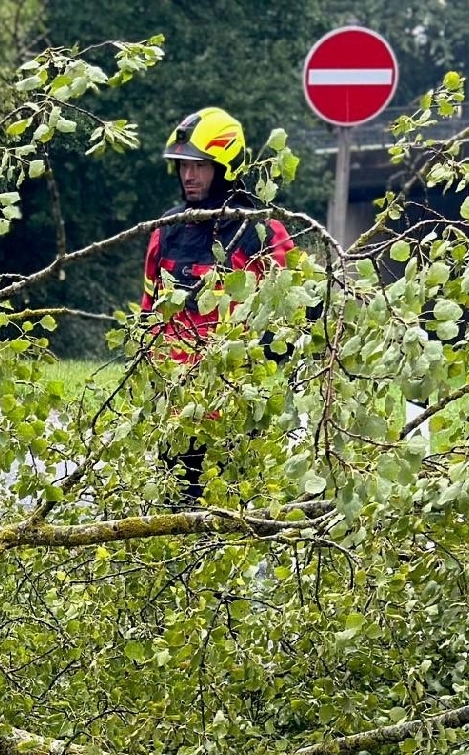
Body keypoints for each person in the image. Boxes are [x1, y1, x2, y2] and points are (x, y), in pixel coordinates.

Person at [140, 106, 295, 502]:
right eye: (183, 166)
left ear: (225, 167)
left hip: (233, 411)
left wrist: (255, 376)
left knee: (235, 516)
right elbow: (148, 313)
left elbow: (293, 317)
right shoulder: (167, 229)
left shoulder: (261, 231)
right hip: (176, 410)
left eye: (200, 166)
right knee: (171, 514)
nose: (188, 175)